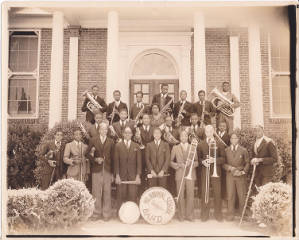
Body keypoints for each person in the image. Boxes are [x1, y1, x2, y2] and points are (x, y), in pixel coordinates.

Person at [85, 122, 115, 221]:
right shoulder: (93, 140)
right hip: (96, 170)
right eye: (102, 129)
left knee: (107, 192)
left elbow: (113, 158)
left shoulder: (111, 141)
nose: (104, 131)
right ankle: (96, 213)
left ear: (107, 130)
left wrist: (113, 173)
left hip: (107, 169)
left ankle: (106, 214)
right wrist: (95, 160)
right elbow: (87, 154)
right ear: (99, 130)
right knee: (96, 192)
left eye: (106, 129)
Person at [197, 125, 226, 222]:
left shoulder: (219, 143)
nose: (208, 133)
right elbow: (199, 158)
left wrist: (214, 160)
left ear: (213, 131)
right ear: (205, 132)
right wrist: (202, 162)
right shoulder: (201, 144)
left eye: (210, 131)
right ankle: (204, 215)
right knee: (205, 192)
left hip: (216, 171)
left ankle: (218, 215)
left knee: (217, 193)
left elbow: (223, 159)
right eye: (207, 131)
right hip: (205, 170)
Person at [170, 131, 199, 221]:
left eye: (185, 136)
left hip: (190, 174)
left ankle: (189, 215)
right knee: (180, 195)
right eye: (182, 136)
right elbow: (170, 162)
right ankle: (181, 216)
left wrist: (191, 164)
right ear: (179, 138)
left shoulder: (193, 147)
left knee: (190, 195)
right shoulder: (175, 147)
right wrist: (178, 165)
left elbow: (197, 162)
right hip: (179, 174)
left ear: (188, 137)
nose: (183, 137)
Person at [223, 132, 249, 221]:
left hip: (240, 176)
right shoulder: (226, 150)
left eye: (235, 138)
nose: (233, 140)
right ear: (230, 140)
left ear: (238, 139)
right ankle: (230, 215)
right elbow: (223, 163)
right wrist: (229, 168)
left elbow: (247, 163)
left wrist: (242, 172)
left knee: (241, 195)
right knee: (230, 195)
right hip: (229, 176)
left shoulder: (243, 150)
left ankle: (243, 215)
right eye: (232, 138)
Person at [114, 127, 142, 209]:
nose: (127, 134)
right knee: (120, 196)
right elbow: (116, 162)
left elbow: (139, 162)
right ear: (123, 134)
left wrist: (138, 176)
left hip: (133, 176)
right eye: (125, 133)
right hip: (121, 176)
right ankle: (120, 215)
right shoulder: (118, 146)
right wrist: (117, 175)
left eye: (129, 133)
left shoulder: (136, 146)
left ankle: (132, 215)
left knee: (132, 196)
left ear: (132, 134)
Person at [135, 114, 154, 196]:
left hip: (151, 155)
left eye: (147, 118)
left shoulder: (154, 129)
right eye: (144, 118)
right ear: (142, 120)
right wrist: (137, 138)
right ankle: (141, 194)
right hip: (141, 155)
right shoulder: (138, 129)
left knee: (150, 174)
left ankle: (150, 192)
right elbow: (135, 142)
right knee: (142, 173)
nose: (146, 120)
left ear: (150, 120)